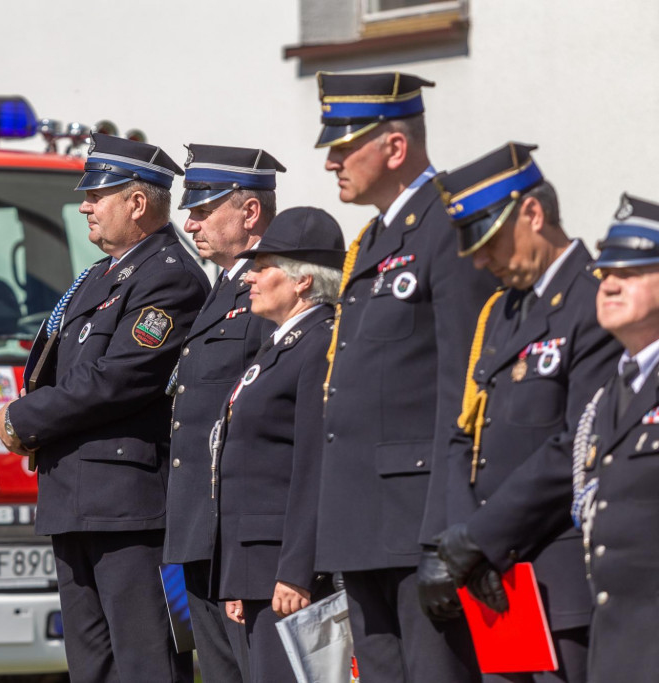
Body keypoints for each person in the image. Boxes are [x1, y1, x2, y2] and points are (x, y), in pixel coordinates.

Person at [0, 133, 208, 683]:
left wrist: (24, 419)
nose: (84, 206)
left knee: (145, 663)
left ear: (136, 203)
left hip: (129, 509)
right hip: (75, 498)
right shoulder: (99, 275)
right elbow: (58, 366)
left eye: (96, 195)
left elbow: (117, 379)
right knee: (92, 667)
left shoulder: (170, 275)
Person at [311, 71, 497, 682]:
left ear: (394, 147)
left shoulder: (449, 226)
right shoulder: (371, 240)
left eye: (344, 147)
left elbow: (465, 392)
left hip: (418, 520)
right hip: (364, 521)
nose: (331, 161)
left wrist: (447, 533)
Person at [432, 143, 621, 683]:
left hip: (558, 577)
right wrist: (461, 538)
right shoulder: (504, 309)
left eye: (489, 240)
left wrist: (481, 536)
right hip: (496, 579)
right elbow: (467, 431)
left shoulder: (595, 301)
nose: (479, 260)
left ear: (533, 214)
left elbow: (578, 442)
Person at [164, 143, 283, 682]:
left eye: (204, 210)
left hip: (237, 533)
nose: (191, 223)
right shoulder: (222, 288)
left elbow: (265, 418)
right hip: (200, 527)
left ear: (250, 212)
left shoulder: (269, 288)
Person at [213, 206, 344, 682]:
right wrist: (236, 574)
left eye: (263, 266)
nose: (249, 276)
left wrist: (296, 570)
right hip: (256, 566)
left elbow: (313, 463)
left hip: (283, 569)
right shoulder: (281, 343)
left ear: (302, 280)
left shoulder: (318, 344)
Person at [569, 194, 659, 682]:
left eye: (631, 272)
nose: (609, 284)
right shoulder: (611, 393)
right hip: (617, 647)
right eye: (605, 272)